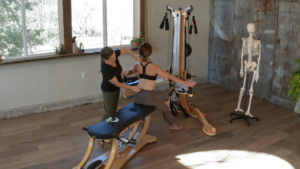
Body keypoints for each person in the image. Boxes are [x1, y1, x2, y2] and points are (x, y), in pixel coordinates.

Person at [122, 43, 196, 130]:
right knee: (164, 108)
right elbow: (170, 76)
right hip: (148, 97)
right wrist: (185, 83)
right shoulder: (155, 67)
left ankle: (142, 119)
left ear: (140, 53)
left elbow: (130, 71)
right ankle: (172, 125)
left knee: (143, 105)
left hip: (137, 96)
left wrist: (125, 73)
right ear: (150, 53)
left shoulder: (137, 65)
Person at [100, 47, 142, 122]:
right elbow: (118, 84)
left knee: (114, 109)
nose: (115, 59)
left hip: (116, 89)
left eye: (114, 57)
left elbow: (126, 49)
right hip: (109, 91)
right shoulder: (105, 69)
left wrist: (136, 57)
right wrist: (132, 88)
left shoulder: (114, 55)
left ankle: (113, 129)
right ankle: (100, 131)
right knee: (109, 112)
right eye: (112, 59)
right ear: (105, 59)